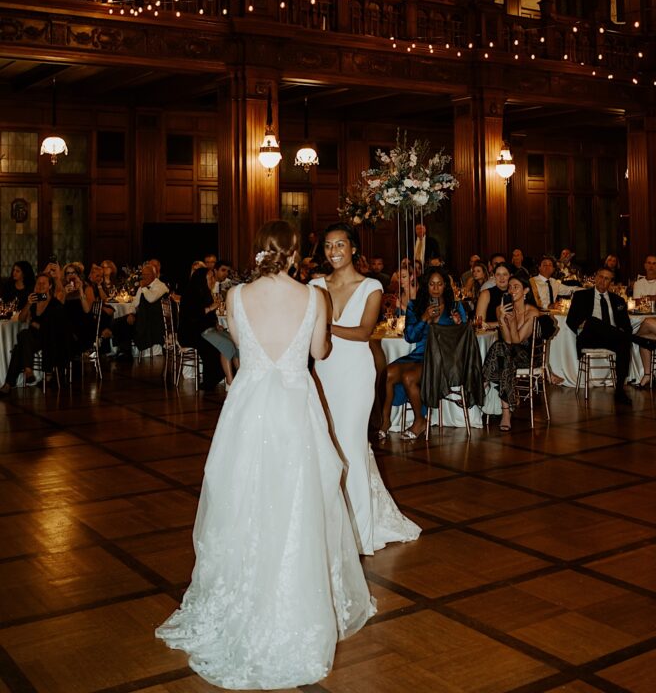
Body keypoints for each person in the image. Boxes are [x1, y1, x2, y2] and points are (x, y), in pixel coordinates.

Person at [156, 220, 374, 687]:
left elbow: (239, 345)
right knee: (299, 500)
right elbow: (320, 350)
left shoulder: (235, 297)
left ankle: (242, 590)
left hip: (249, 409)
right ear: (296, 253)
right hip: (295, 407)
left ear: (258, 252)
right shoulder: (315, 297)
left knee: (244, 499)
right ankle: (296, 595)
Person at [311, 222, 421, 555]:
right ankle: (330, 522)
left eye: (340, 245)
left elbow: (362, 332)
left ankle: (359, 530)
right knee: (325, 443)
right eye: (329, 246)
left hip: (356, 373)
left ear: (354, 248)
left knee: (351, 443)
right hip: (323, 371)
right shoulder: (315, 285)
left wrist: (325, 325)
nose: (334, 252)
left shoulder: (371, 285)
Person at [379, 267, 466, 441]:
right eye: (432, 284)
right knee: (387, 373)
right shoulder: (414, 306)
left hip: (443, 358)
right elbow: (410, 337)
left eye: (439, 284)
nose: (435, 288)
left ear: (445, 287)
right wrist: (424, 318)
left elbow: (464, 339)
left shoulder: (455, 306)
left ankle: (420, 421)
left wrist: (458, 324)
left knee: (409, 377)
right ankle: (385, 421)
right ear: (426, 286)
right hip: (419, 354)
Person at [566, 265, 633, 406]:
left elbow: (627, 326)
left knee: (624, 341)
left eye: (607, 279)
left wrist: (620, 333)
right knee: (592, 322)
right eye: (601, 277)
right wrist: (582, 325)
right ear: (596, 278)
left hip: (612, 339)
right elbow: (570, 320)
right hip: (590, 338)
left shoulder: (618, 301)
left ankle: (619, 390)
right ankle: (638, 340)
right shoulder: (581, 296)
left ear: (611, 282)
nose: (603, 281)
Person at [482, 276, 541, 432]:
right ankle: (506, 414)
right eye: (510, 287)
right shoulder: (501, 309)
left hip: (526, 357)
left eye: (516, 287)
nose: (511, 290)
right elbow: (507, 340)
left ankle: (483, 383)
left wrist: (512, 321)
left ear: (526, 291)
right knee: (504, 352)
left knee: (501, 348)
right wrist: (502, 318)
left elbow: (516, 340)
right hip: (508, 354)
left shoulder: (532, 312)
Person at [0, 273, 70, 393]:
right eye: (38, 283)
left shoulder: (55, 304)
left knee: (22, 339)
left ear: (50, 286)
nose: (40, 285)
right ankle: (24, 372)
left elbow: (57, 329)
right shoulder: (33, 301)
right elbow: (21, 319)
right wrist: (29, 303)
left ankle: (10, 383)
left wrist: (37, 325)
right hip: (33, 339)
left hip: (48, 339)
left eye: (44, 283)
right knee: (23, 339)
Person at [178, 266, 223, 390]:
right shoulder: (189, 294)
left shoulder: (206, 292)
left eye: (213, 277)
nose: (213, 280)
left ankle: (221, 375)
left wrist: (215, 324)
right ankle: (211, 379)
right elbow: (192, 316)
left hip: (202, 331)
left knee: (226, 340)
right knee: (212, 345)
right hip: (189, 333)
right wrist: (210, 308)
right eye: (210, 278)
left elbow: (210, 317)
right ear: (201, 280)